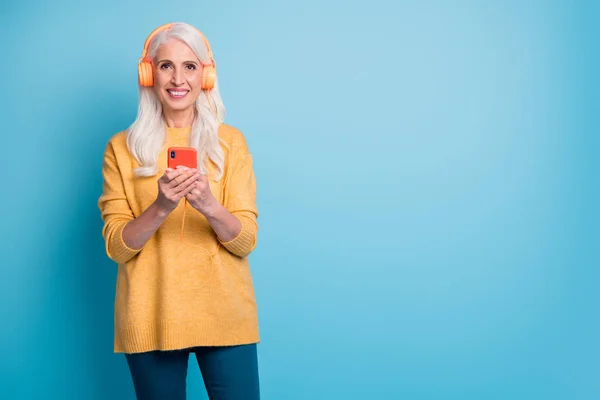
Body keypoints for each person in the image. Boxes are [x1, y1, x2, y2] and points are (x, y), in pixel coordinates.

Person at [97, 22, 261, 400]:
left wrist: (206, 203)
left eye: (189, 66)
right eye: (166, 65)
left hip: (225, 314)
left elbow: (245, 241)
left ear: (205, 75)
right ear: (149, 73)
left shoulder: (230, 143)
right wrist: (161, 205)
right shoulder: (121, 148)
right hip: (151, 316)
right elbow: (118, 248)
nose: (177, 78)